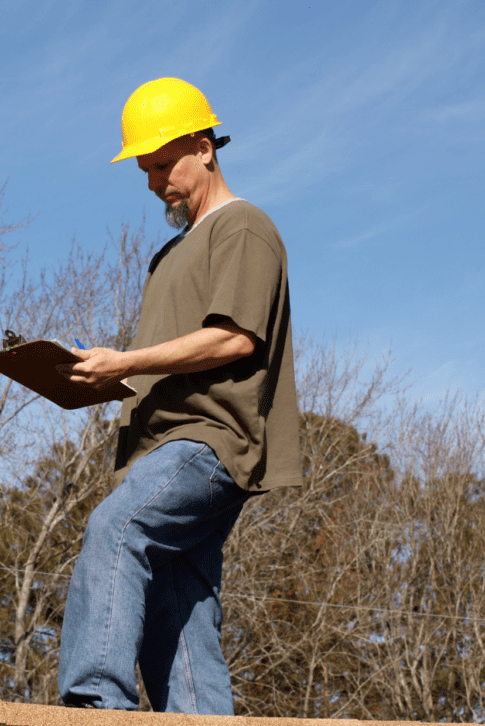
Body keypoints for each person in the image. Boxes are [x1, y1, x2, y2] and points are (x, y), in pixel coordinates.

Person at [55, 78, 302, 714]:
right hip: (161, 444)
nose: (153, 182)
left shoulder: (243, 226)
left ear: (204, 146)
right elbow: (172, 359)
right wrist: (107, 377)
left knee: (117, 527)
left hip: (208, 439)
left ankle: (95, 703)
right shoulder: (169, 255)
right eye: (145, 170)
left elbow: (234, 339)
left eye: (164, 164)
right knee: (177, 597)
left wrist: (129, 360)